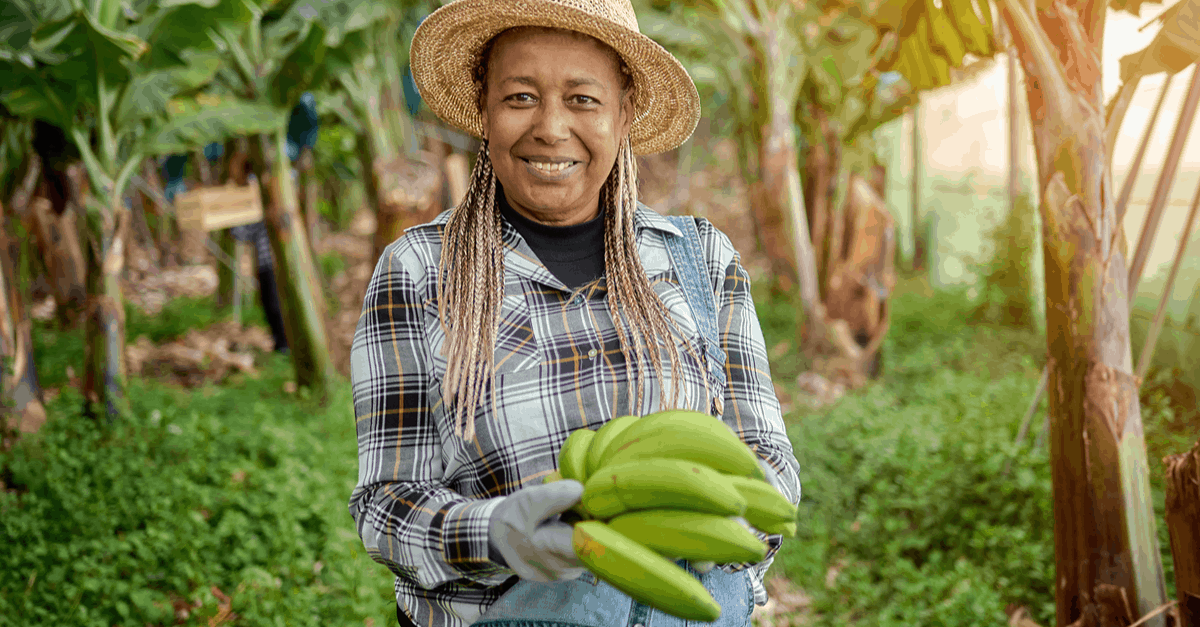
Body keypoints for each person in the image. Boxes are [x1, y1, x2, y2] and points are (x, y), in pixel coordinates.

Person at [348, 1, 801, 626]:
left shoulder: (699, 258)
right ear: (484, 110)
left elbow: (768, 459)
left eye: (583, 99)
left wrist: (711, 519)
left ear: (625, 112)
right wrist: (495, 533)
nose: (551, 128)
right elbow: (384, 503)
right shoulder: (420, 270)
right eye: (520, 97)